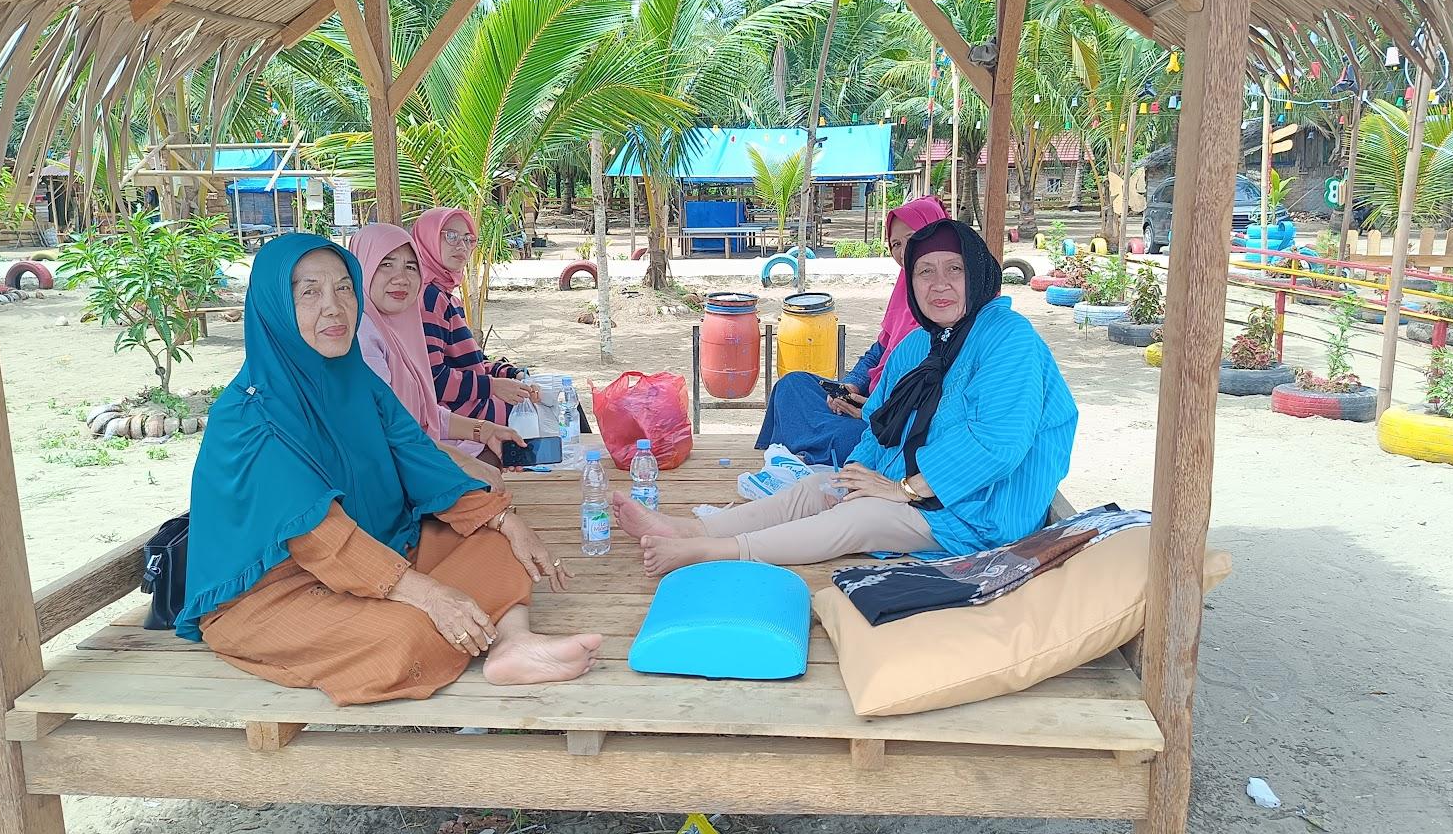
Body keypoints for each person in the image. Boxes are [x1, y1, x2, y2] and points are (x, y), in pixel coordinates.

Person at [177, 234, 600, 705]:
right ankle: (466, 630)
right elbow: (317, 535)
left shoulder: (357, 381)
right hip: (276, 587)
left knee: (497, 544)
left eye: (344, 288)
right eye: (310, 292)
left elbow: (419, 456)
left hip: (376, 547)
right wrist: (428, 594)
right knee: (403, 635)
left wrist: (505, 519)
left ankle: (513, 642)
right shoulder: (249, 415)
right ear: (274, 305)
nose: (334, 308)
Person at [615, 219, 1077, 576]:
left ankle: (709, 553)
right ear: (910, 283)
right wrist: (855, 476)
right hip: (921, 490)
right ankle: (691, 528)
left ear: (977, 273)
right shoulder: (921, 342)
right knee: (823, 486)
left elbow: (996, 443)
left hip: (983, 511)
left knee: (863, 516)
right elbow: (880, 422)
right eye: (925, 272)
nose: (940, 284)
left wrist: (897, 490)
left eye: (954, 269)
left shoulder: (1008, 338)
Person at [754, 196, 947, 465]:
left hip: (895, 419)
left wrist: (871, 411)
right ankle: (811, 451)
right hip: (869, 399)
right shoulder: (904, 291)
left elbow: (938, 395)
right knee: (792, 385)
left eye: (913, 238)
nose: (904, 252)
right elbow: (878, 352)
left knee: (856, 439)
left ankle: (804, 452)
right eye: (895, 244)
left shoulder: (953, 300)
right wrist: (850, 386)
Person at [350, 223, 523, 485]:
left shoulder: (400, 325)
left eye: (410, 266)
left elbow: (426, 413)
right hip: (389, 481)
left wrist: (485, 431)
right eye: (386, 264)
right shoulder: (362, 334)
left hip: (417, 459)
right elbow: (389, 433)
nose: (401, 278)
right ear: (360, 267)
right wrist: (466, 462)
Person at [410, 207, 539, 426]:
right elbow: (434, 379)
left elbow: (471, 364)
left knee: (547, 397)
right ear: (427, 239)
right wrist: (494, 386)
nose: (461, 246)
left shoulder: (447, 297)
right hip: (458, 415)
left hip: (471, 402)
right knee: (546, 411)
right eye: (450, 236)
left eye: (469, 239)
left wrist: (511, 373)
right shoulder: (428, 299)